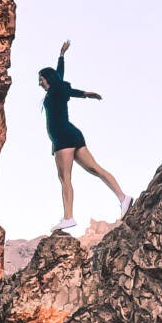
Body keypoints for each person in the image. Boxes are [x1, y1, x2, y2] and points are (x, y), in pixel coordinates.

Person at [38, 39, 131, 234]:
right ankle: (123, 198)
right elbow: (60, 75)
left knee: (64, 178)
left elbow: (66, 87)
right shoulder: (56, 88)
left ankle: (68, 217)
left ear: (48, 79)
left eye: (41, 79)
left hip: (63, 138)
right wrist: (62, 56)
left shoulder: (56, 90)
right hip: (73, 135)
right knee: (95, 169)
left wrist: (86, 94)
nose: (39, 83)